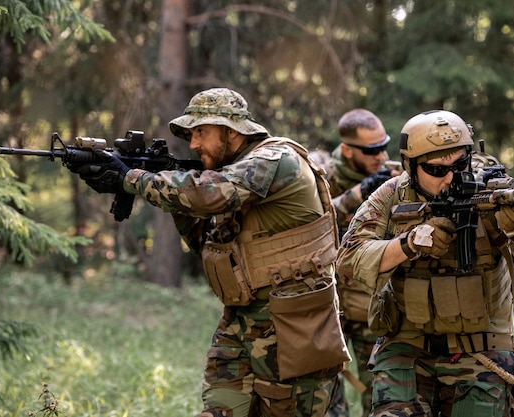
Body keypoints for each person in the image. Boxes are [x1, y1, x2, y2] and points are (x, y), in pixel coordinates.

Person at [69, 87, 351, 417]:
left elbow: (209, 193)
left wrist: (131, 178)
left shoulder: (275, 160)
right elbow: (208, 244)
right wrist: (166, 192)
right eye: (191, 135)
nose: (194, 144)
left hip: (295, 324)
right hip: (242, 319)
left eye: (201, 132)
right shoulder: (234, 173)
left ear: (231, 131)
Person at [335, 109, 514, 417]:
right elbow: (347, 263)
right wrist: (408, 244)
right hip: (407, 347)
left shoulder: (494, 190)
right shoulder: (391, 196)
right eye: (435, 169)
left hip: (482, 351)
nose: (451, 176)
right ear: (410, 166)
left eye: (460, 164)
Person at [310, 109, 398, 417]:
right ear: (347, 149)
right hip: (324, 307)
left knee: (381, 397)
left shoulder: (392, 176)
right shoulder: (319, 173)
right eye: (371, 150)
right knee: (320, 401)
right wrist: (360, 192)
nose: (381, 155)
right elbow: (313, 221)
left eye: (383, 146)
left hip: (368, 306)